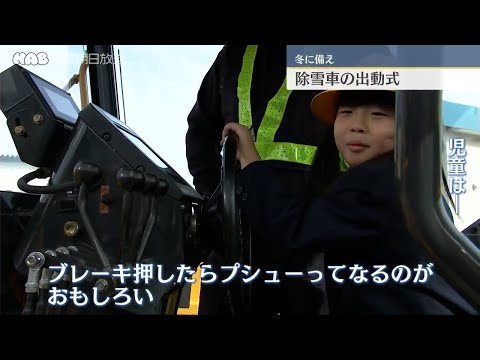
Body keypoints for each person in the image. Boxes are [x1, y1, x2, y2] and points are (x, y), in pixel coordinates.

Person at [222, 90, 478, 314]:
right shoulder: (410, 180)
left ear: (410, 125)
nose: (358, 125)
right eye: (346, 112)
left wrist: (251, 162)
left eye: (378, 115)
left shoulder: (378, 180)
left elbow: (291, 229)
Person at [185, 45, 336, 315]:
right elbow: (200, 130)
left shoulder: (346, 55)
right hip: (235, 236)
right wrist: (216, 197)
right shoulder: (235, 54)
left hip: (309, 240)